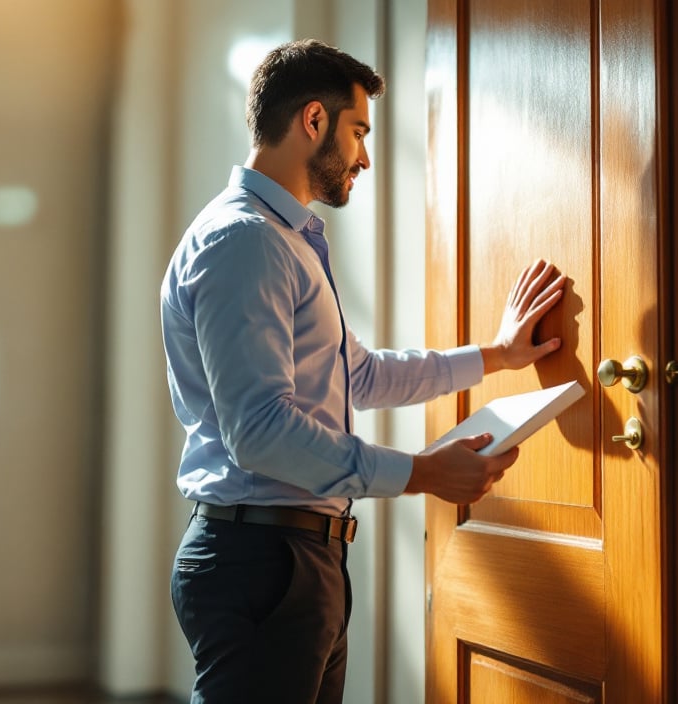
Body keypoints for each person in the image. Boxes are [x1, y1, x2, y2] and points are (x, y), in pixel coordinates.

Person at [160, 39, 566, 703]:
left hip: (298, 558)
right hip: (263, 561)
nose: (366, 157)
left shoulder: (285, 240)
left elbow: (362, 375)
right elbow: (260, 431)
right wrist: (425, 474)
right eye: (358, 132)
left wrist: (498, 355)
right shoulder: (247, 241)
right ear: (312, 121)